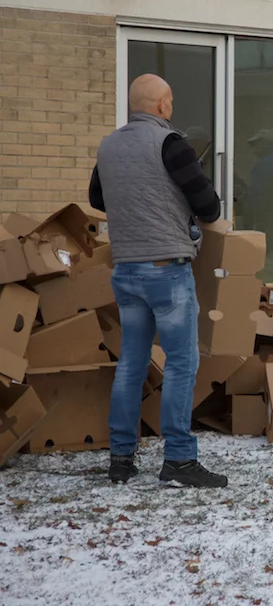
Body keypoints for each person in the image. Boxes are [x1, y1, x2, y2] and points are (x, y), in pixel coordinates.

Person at [89, 73, 226, 487]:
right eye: (170, 101)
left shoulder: (109, 146)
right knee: (182, 363)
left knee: (131, 363)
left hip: (126, 269)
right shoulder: (172, 144)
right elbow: (209, 205)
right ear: (163, 105)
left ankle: (121, 458)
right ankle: (179, 460)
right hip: (167, 269)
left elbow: (97, 198)